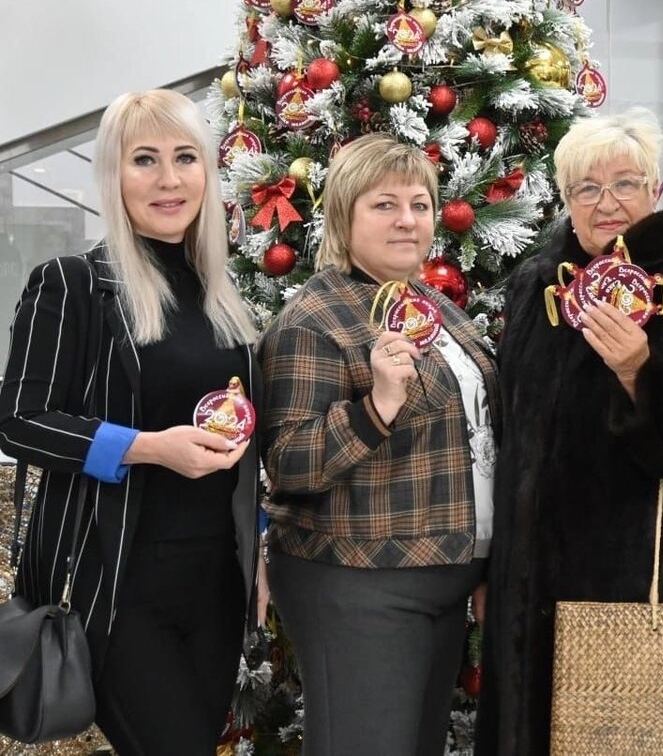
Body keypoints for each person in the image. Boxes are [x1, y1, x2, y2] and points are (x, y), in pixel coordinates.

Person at [0, 89, 264, 755]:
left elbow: (240, 442)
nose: (169, 180)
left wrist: (258, 546)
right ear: (114, 174)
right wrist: (146, 448)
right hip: (118, 587)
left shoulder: (223, 301)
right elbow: (20, 421)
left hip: (215, 588)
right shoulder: (73, 285)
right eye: (144, 160)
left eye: (185, 158)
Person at [475, 108, 663, 756]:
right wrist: (495, 572)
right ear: (567, 200)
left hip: (641, 589)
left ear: (654, 189)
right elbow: (510, 440)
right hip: (532, 593)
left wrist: (639, 374)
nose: (607, 203)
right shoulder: (537, 288)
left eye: (625, 183)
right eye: (587, 189)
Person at [258, 134, 495, 756]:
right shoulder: (315, 320)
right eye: (384, 205)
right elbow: (288, 462)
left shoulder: (437, 310)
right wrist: (376, 407)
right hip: (360, 581)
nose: (407, 220)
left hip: (441, 577)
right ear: (344, 216)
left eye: (419, 204)